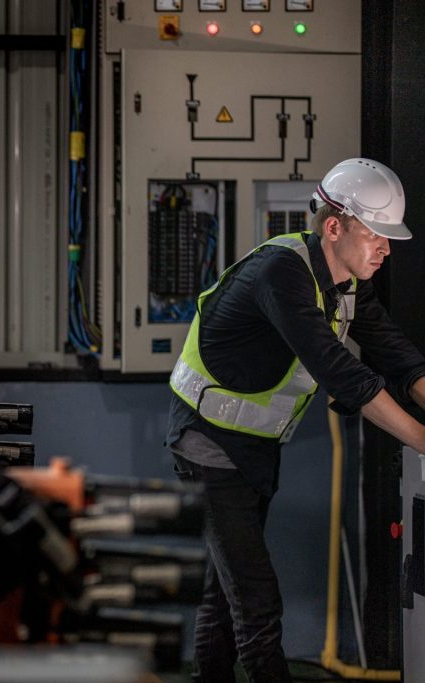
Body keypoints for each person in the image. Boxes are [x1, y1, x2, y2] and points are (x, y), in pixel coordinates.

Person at [167, 157, 425, 683]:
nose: (385, 248)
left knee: (225, 597)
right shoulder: (282, 273)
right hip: (209, 442)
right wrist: (424, 440)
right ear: (334, 228)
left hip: (255, 447)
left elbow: (399, 359)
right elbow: (343, 374)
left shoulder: (348, 285)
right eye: (375, 234)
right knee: (256, 604)